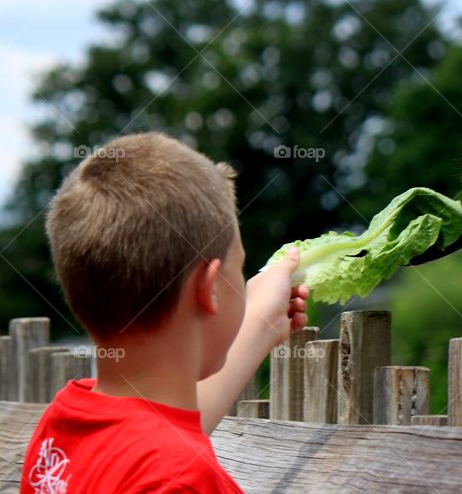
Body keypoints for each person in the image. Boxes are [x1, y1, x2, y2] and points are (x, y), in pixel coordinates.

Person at [20, 132, 309, 493]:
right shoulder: (183, 481)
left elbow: (153, 436)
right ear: (211, 288)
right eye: (240, 266)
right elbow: (165, 460)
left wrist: (261, 325)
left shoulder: (65, 423)